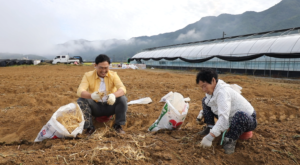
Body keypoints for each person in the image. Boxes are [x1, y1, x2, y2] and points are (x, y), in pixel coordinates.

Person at [196, 69, 257, 154]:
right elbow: (211, 103)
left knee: (240, 115)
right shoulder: (213, 90)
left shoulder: (222, 92)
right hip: (230, 116)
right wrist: (203, 113)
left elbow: (223, 119)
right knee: (205, 100)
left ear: (213, 80)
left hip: (247, 119)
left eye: (204, 86)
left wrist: (210, 137)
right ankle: (210, 127)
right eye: (201, 87)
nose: (203, 89)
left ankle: (230, 140)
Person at [77, 54, 127, 135]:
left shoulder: (113, 75)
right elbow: (80, 90)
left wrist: (113, 95)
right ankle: (89, 127)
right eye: (101, 67)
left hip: (110, 105)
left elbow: (122, 88)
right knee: (81, 100)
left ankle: (118, 125)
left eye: (106, 67)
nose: (104, 70)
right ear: (95, 65)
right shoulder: (88, 75)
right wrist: (91, 96)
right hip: (95, 106)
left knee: (122, 99)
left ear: (109, 66)